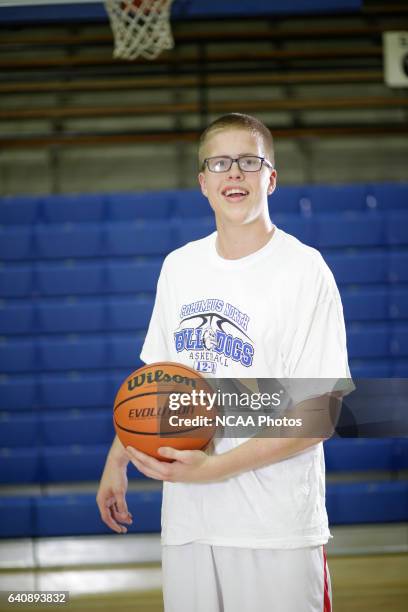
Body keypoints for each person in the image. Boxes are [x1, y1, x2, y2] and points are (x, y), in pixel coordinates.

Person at [97, 113, 351, 612]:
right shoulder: (179, 267)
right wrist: (117, 458)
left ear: (271, 178)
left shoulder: (305, 271)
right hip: (191, 524)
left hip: (276, 528)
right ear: (203, 182)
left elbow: (322, 412)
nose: (233, 173)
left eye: (249, 161)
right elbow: (156, 388)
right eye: (219, 163)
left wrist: (213, 469)